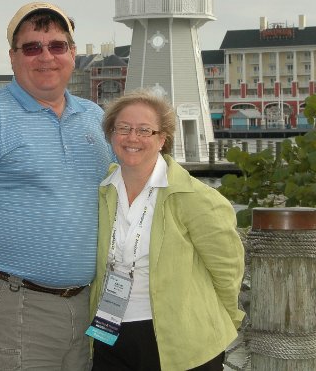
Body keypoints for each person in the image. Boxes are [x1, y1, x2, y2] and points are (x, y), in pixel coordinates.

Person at [0, 1, 113, 370]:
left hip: (84, 307)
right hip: (11, 305)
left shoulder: (95, 118)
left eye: (57, 46)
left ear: (73, 54)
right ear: (13, 58)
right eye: (31, 47)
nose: (45, 56)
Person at [87, 90, 245, 371]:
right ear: (111, 135)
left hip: (182, 340)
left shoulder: (195, 198)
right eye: (123, 128)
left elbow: (228, 273)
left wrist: (217, 324)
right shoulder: (101, 191)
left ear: (162, 139)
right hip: (109, 330)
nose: (132, 138)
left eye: (145, 130)